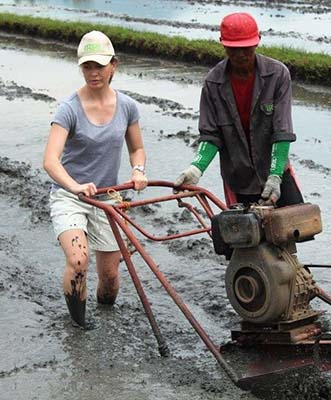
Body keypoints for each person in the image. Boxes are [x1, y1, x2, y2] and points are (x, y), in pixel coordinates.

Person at [43, 31, 148, 328]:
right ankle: (79, 326)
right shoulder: (69, 109)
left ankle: (105, 317)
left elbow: (137, 148)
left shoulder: (127, 107)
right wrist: (74, 185)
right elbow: (50, 160)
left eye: (99, 66)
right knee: (78, 261)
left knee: (111, 279)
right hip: (71, 196)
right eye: (87, 66)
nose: (93, 73)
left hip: (107, 197)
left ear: (113, 65)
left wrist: (138, 171)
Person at [175, 12, 303, 208]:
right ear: (223, 44)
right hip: (238, 179)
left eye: (246, 48)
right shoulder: (213, 83)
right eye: (233, 49)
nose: (240, 55)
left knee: (295, 228)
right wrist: (196, 169)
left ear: (257, 42)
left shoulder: (277, 75)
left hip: (275, 172)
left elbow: (282, 131)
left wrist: (275, 175)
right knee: (247, 236)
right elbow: (211, 135)